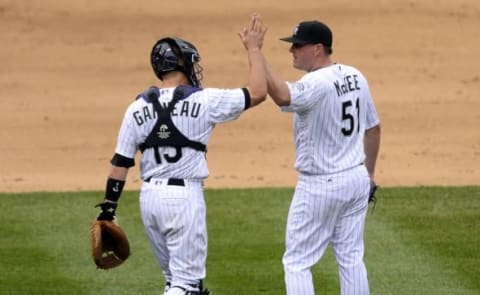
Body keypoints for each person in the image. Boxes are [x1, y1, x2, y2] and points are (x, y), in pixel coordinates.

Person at [93, 15, 267, 295]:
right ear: (183, 64)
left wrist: (108, 209)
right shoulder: (204, 100)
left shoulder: (136, 108)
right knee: (185, 284)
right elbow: (258, 92)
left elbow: (121, 164)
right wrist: (254, 50)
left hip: (149, 199)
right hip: (183, 200)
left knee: (176, 280)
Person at [262, 19, 381, 294]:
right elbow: (373, 128)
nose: (292, 50)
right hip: (356, 178)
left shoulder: (315, 83)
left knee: (297, 262)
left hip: (320, 185)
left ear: (317, 49)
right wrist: (370, 174)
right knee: (351, 258)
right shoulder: (355, 75)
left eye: (297, 45)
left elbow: (281, 96)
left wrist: (257, 54)